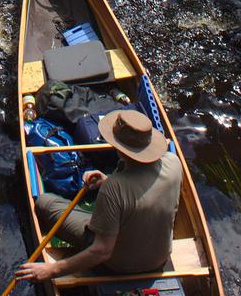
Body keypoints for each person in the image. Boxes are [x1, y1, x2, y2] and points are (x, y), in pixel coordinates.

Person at [16, 108, 182, 283]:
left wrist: (51, 270)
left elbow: (102, 251)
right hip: (159, 259)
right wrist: (106, 179)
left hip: (117, 265)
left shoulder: (114, 188)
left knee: (45, 202)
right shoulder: (173, 163)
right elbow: (145, 193)